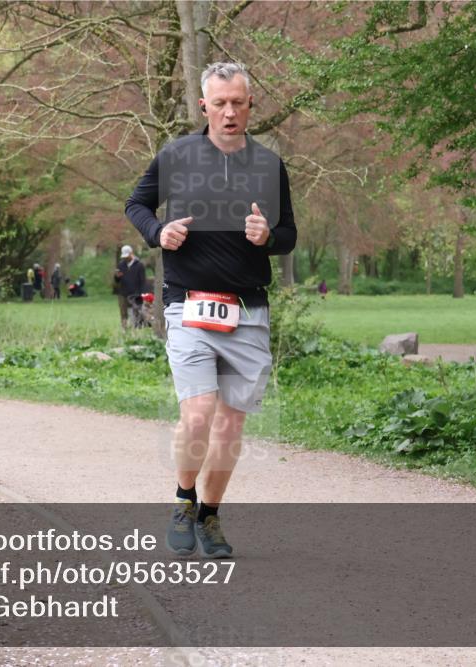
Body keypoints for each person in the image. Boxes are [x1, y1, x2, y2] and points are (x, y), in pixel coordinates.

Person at [125, 62, 297, 558]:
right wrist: (158, 233)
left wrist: (268, 237)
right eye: (219, 103)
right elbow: (136, 205)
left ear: (250, 106)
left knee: (229, 425)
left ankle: (211, 516)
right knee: (198, 415)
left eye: (238, 103)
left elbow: (289, 236)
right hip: (189, 306)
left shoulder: (268, 166)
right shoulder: (177, 156)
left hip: (248, 311)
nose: (229, 112)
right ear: (204, 105)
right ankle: (184, 500)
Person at [115, 245, 147, 328]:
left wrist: (142, 294)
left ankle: (135, 329)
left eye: (127, 256)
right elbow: (117, 280)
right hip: (123, 293)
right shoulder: (121, 265)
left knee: (135, 312)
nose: (125, 258)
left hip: (135, 293)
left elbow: (143, 281)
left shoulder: (139, 265)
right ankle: (124, 329)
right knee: (123, 313)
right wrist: (117, 277)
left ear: (131, 253)